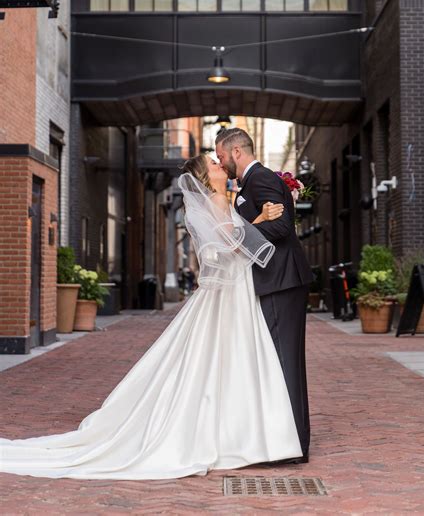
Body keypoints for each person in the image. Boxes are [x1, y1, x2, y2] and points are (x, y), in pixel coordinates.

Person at [0, 154, 302, 480]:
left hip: (234, 291)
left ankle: (240, 431)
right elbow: (230, 246)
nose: (222, 167)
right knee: (229, 355)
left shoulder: (220, 199)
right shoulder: (216, 200)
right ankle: (239, 435)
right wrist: (258, 221)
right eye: (215, 165)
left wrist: (255, 219)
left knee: (224, 356)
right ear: (206, 177)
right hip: (231, 293)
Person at [215, 128, 313, 463]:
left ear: (237, 151)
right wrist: (251, 225)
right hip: (273, 281)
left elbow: (282, 227)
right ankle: (281, 437)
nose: (221, 162)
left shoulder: (262, 179)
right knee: (277, 361)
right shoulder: (251, 184)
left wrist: (241, 235)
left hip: (281, 281)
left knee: (286, 361)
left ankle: (294, 444)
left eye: (222, 155)